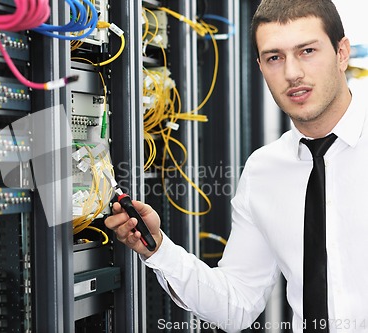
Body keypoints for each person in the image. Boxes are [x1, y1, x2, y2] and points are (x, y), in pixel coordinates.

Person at [105, 0, 368, 331]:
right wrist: (157, 246)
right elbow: (237, 304)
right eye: (275, 57)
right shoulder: (264, 170)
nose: (292, 73)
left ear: (341, 52)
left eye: (307, 51)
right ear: (260, 66)